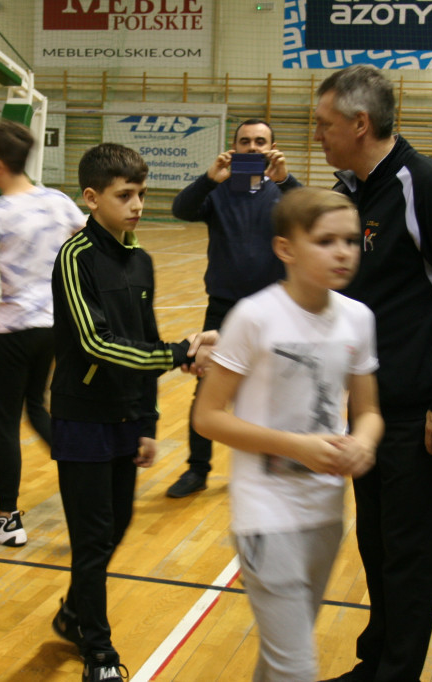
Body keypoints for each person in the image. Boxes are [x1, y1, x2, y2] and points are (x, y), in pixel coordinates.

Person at [313, 65, 432, 682]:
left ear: (359, 123)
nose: (317, 134)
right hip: (368, 413)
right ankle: (378, 663)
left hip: (420, 417)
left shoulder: (427, 187)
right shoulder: (358, 192)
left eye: (324, 124)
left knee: (409, 558)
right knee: (378, 548)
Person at [193, 187, 383, 682]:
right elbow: (208, 417)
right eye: (324, 241)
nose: (342, 252)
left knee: (282, 658)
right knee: (296, 667)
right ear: (286, 249)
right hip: (264, 515)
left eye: (350, 240)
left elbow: (368, 412)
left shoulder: (358, 319)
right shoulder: (254, 316)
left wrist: (362, 441)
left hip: (324, 512)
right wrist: (296, 446)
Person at [49, 143, 216, 682]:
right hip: (82, 420)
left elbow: (142, 341)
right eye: (125, 196)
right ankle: (98, 653)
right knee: (94, 539)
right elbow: (97, 344)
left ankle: (74, 611)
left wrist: (147, 423)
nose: (138, 204)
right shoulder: (74, 258)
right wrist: (180, 353)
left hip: (124, 420)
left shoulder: (140, 259)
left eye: (141, 194)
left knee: (117, 525)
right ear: (92, 198)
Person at [166, 118, 303, 499]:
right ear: (234, 147)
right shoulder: (219, 193)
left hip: (276, 310)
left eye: (261, 141)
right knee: (207, 391)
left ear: (272, 147)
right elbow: (181, 209)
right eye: (245, 142)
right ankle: (197, 470)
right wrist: (210, 179)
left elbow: (312, 218)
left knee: (280, 392)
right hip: (223, 309)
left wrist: (287, 180)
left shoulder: (282, 192)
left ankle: (277, 464)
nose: (253, 148)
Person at [0, 120, 85, 547]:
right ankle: (88, 479)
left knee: (3, 423)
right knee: (36, 406)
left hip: (13, 330)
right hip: (54, 327)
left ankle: (7, 516)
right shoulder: (57, 201)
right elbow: (88, 241)